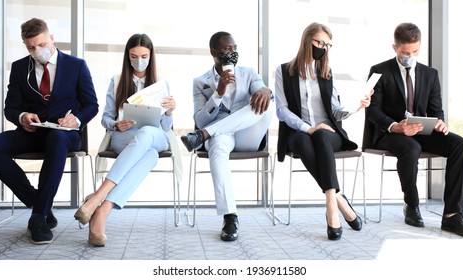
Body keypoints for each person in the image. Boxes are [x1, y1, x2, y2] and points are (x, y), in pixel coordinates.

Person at [0, 18, 98, 244]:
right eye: (31, 47)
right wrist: (22, 117)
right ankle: (39, 203)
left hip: (66, 135)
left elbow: (92, 105)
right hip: (32, 133)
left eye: (41, 45)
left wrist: (77, 119)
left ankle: (38, 217)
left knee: (57, 137)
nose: (37, 51)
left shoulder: (76, 65)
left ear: (51, 38)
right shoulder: (19, 67)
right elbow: (10, 108)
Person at [365, 22, 463, 237]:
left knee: (461, 145)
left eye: (415, 51)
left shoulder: (430, 74)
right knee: (410, 148)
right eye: (405, 52)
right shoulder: (379, 71)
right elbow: (372, 111)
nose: (410, 56)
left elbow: (436, 110)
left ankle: (452, 215)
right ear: (395, 47)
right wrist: (395, 126)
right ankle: (412, 204)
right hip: (390, 133)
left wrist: (440, 122)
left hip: (421, 131)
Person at [74, 33, 176, 247]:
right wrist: (115, 125)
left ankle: (96, 197)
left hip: (155, 136)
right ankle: (102, 212)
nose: (139, 60)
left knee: (147, 133)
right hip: (125, 137)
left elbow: (166, 128)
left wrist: (169, 112)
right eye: (134, 55)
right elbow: (106, 118)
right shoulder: (118, 80)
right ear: (127, 56)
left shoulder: (161, 82)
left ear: (151, 56)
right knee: (149, 156)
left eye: (144, 56)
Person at [275, 22, 370, 240]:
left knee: (319, 134)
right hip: (301, 132)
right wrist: (308, 128)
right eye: (320, 42)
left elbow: (335, 111)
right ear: (306, 40)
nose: (323, 48)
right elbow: (281, 111)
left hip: (330, 134)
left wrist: (356, 106)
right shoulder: (284, 71)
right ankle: (339, 201)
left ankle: (330, 206)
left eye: (327, 45)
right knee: (301, 140)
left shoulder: (326, 72)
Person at [181, 31, 273, 241]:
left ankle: (202, 136)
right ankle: (230, 216)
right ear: (214, 52)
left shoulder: (250, 73)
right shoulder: (200, 82)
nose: (232, 52)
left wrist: (266, 91)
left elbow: (262, 93)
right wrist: (218, 93)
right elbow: (200, 119)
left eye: (235, 48)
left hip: (248, 135)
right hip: (223, 135)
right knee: (218, 146)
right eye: (227, 49)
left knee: (268, 105)